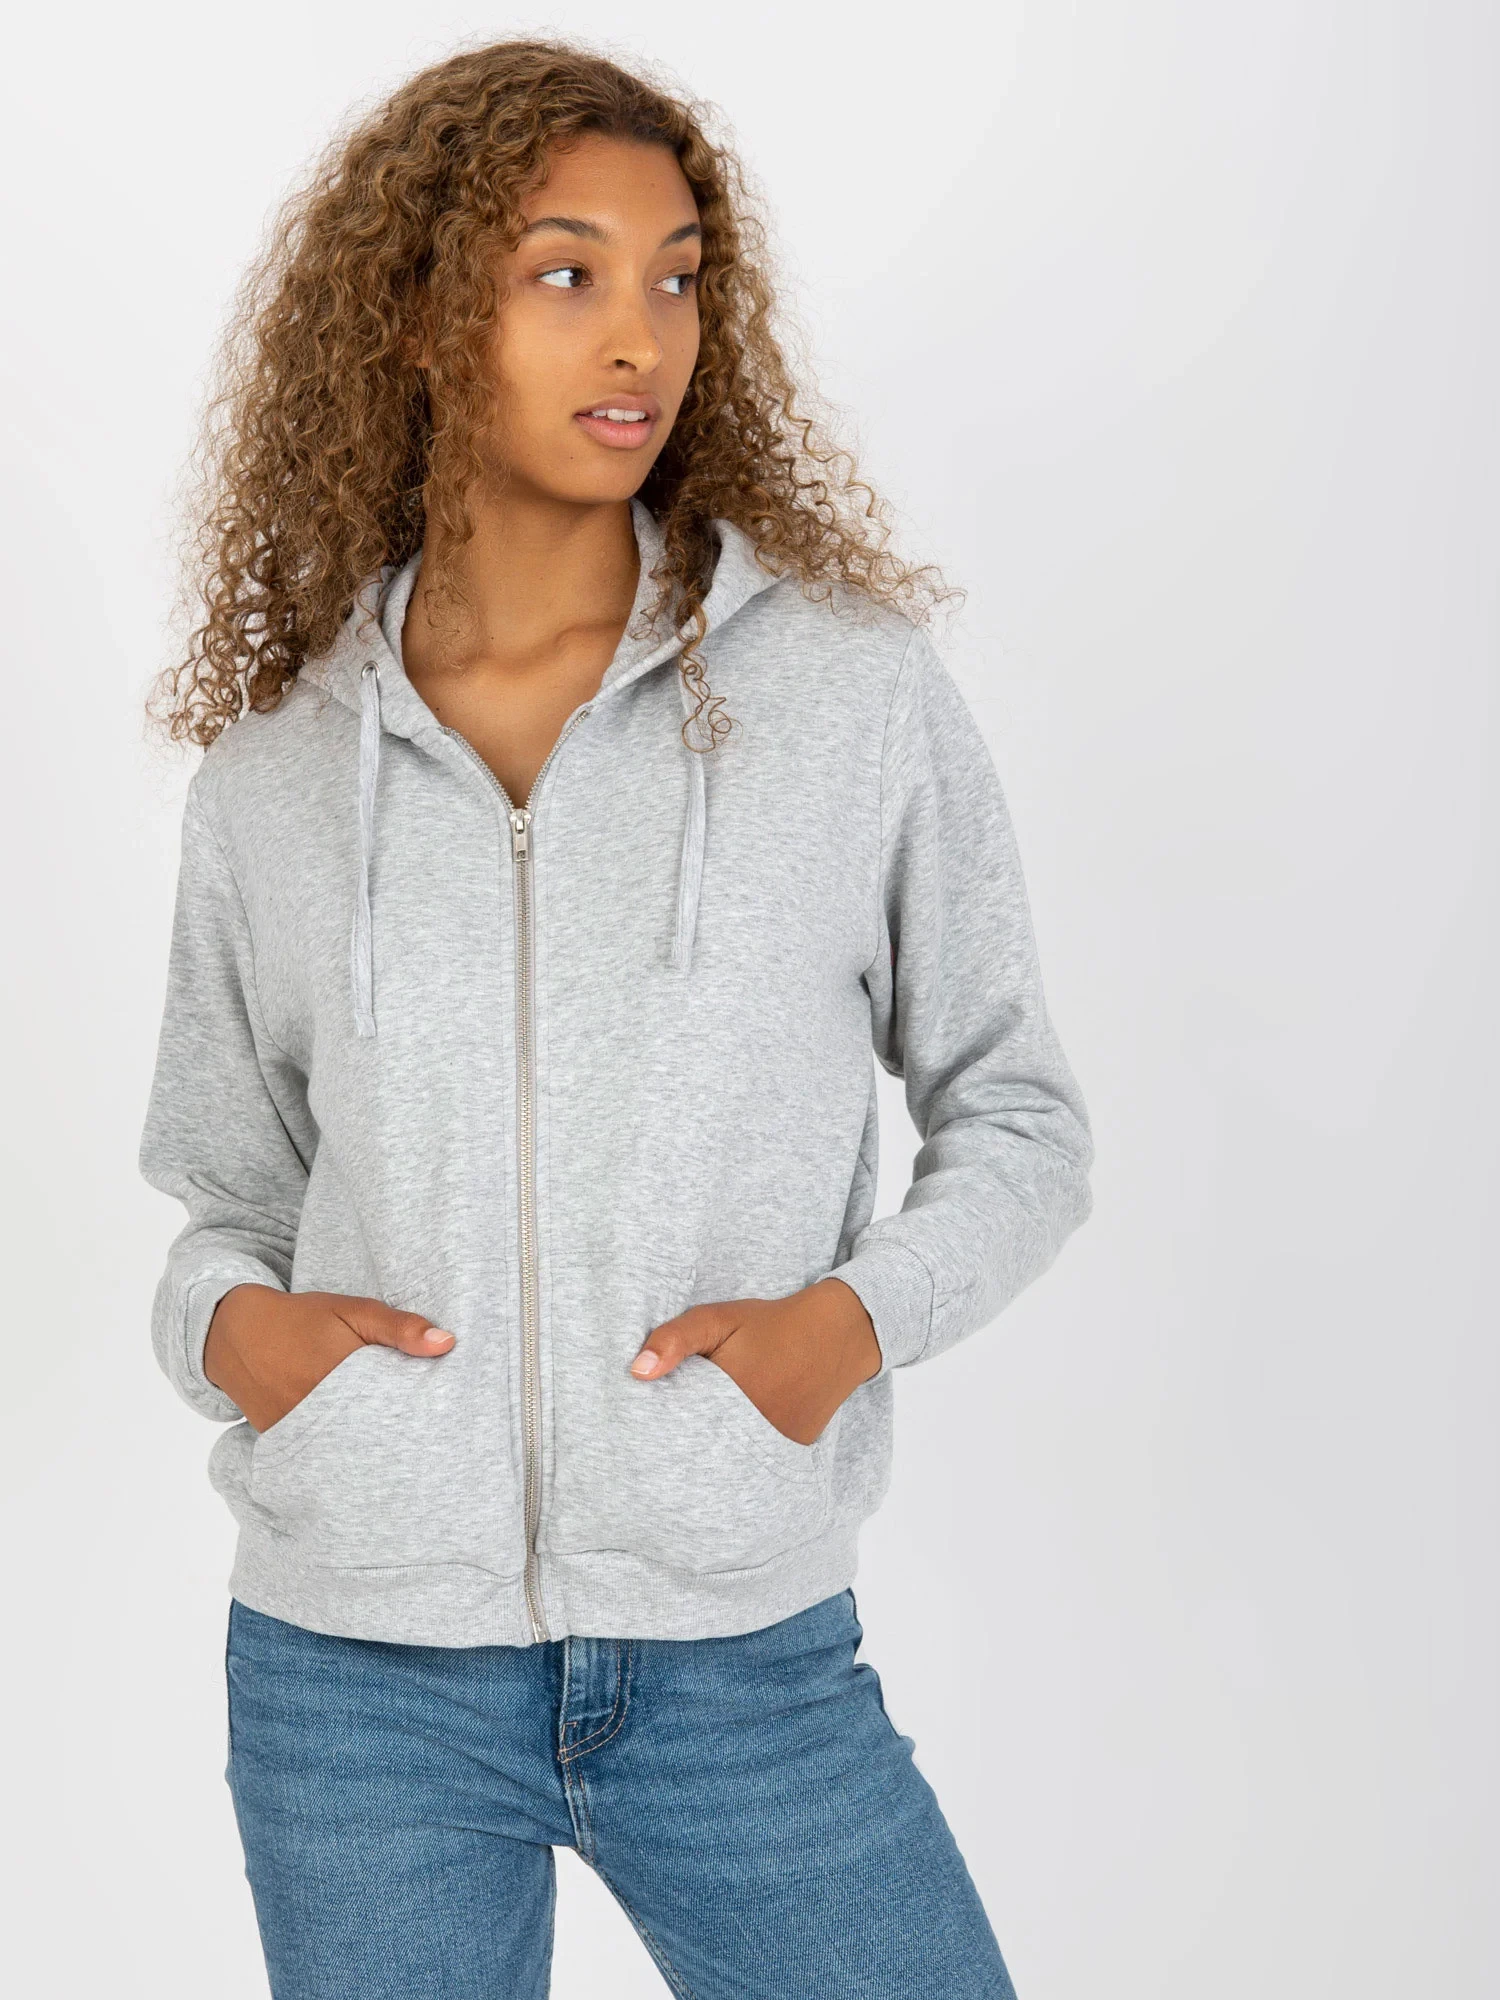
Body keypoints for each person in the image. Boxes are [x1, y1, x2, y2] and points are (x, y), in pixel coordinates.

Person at [139, 36, 1094, 2000]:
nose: (638, 334)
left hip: (740, 1658)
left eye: (676, 276)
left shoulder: (844, 698)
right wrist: (234, 1333)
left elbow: (1020, 1117)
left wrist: (844, 1328)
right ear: (420, 315)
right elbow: (226, 1193)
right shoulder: (279, 766)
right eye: (564, 272)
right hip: (354, 1678)